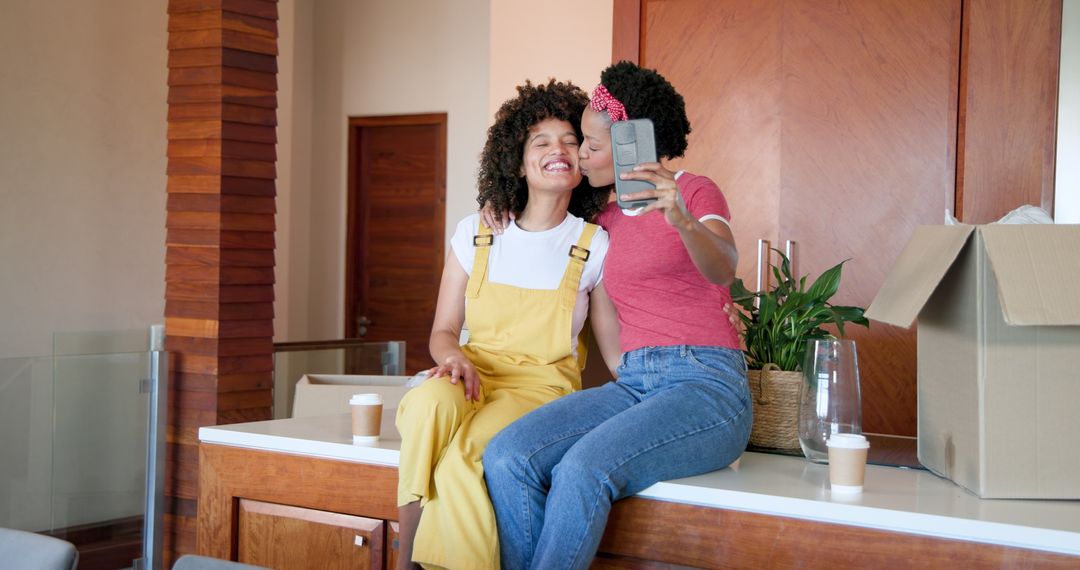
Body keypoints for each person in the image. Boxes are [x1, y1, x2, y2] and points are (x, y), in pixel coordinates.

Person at [481, 61, 752, 570]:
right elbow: (542, 220)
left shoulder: (693, 192)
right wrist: (502, 211)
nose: (580, 154)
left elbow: (724, 268)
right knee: (507, 456)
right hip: (635, 383)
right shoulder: (602, 219)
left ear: (634, 143)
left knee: (583, 468)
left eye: (591, 144)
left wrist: (680, 219)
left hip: (707, 386)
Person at [394, 79, 620, 570]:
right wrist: (452, 358)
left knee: (464, 458)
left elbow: (617, 355)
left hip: (540, 392)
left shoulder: (593, 245)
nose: (558, 150)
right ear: (517, 162)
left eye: (570, 141)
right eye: (541, 142)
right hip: (473, 374)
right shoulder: (476, 232)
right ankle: (405, 553)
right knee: (427, 403)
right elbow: (442, 331)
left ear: (582, 163)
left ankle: (414, 564)